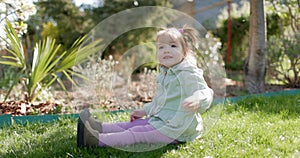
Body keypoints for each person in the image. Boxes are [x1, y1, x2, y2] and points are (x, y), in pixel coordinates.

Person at [77, 26, 214, 147]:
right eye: (161, 47)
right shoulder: (167, 73)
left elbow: (205, 91)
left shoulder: (187, 72)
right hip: (163, 121)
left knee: (137, 133)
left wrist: (197, 98)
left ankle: (96, 140)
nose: (166, 50)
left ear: (184, 52)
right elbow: (162, 102)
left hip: (178, 129)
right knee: (133, 125)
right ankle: (100, 127)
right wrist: (144, 111)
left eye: (173, 46)